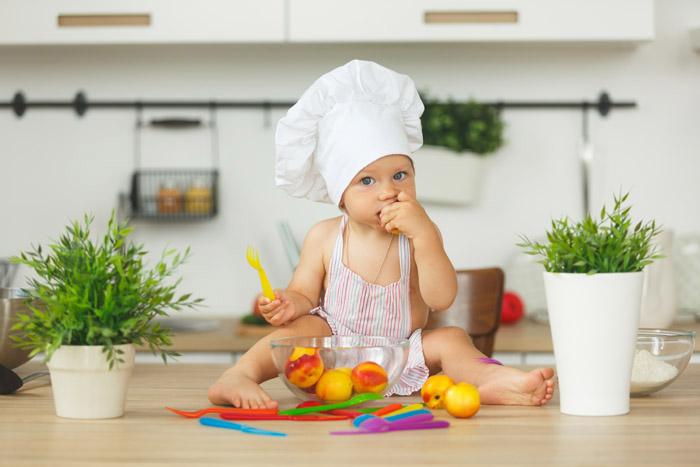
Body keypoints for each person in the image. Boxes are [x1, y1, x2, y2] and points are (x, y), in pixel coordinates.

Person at [209, 60, 555, 409]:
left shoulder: (420, 234)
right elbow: (304, 294)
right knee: (294, 332)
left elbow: (441, 299)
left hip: (402, 354)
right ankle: (238, 375)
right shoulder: (325, 237)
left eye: (401, 175)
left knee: (452, 338)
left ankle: (492, 380)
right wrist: (289, 305)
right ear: (340, 194)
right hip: (331, 356)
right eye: (367, 180)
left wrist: (426, 238)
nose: (388, 191)